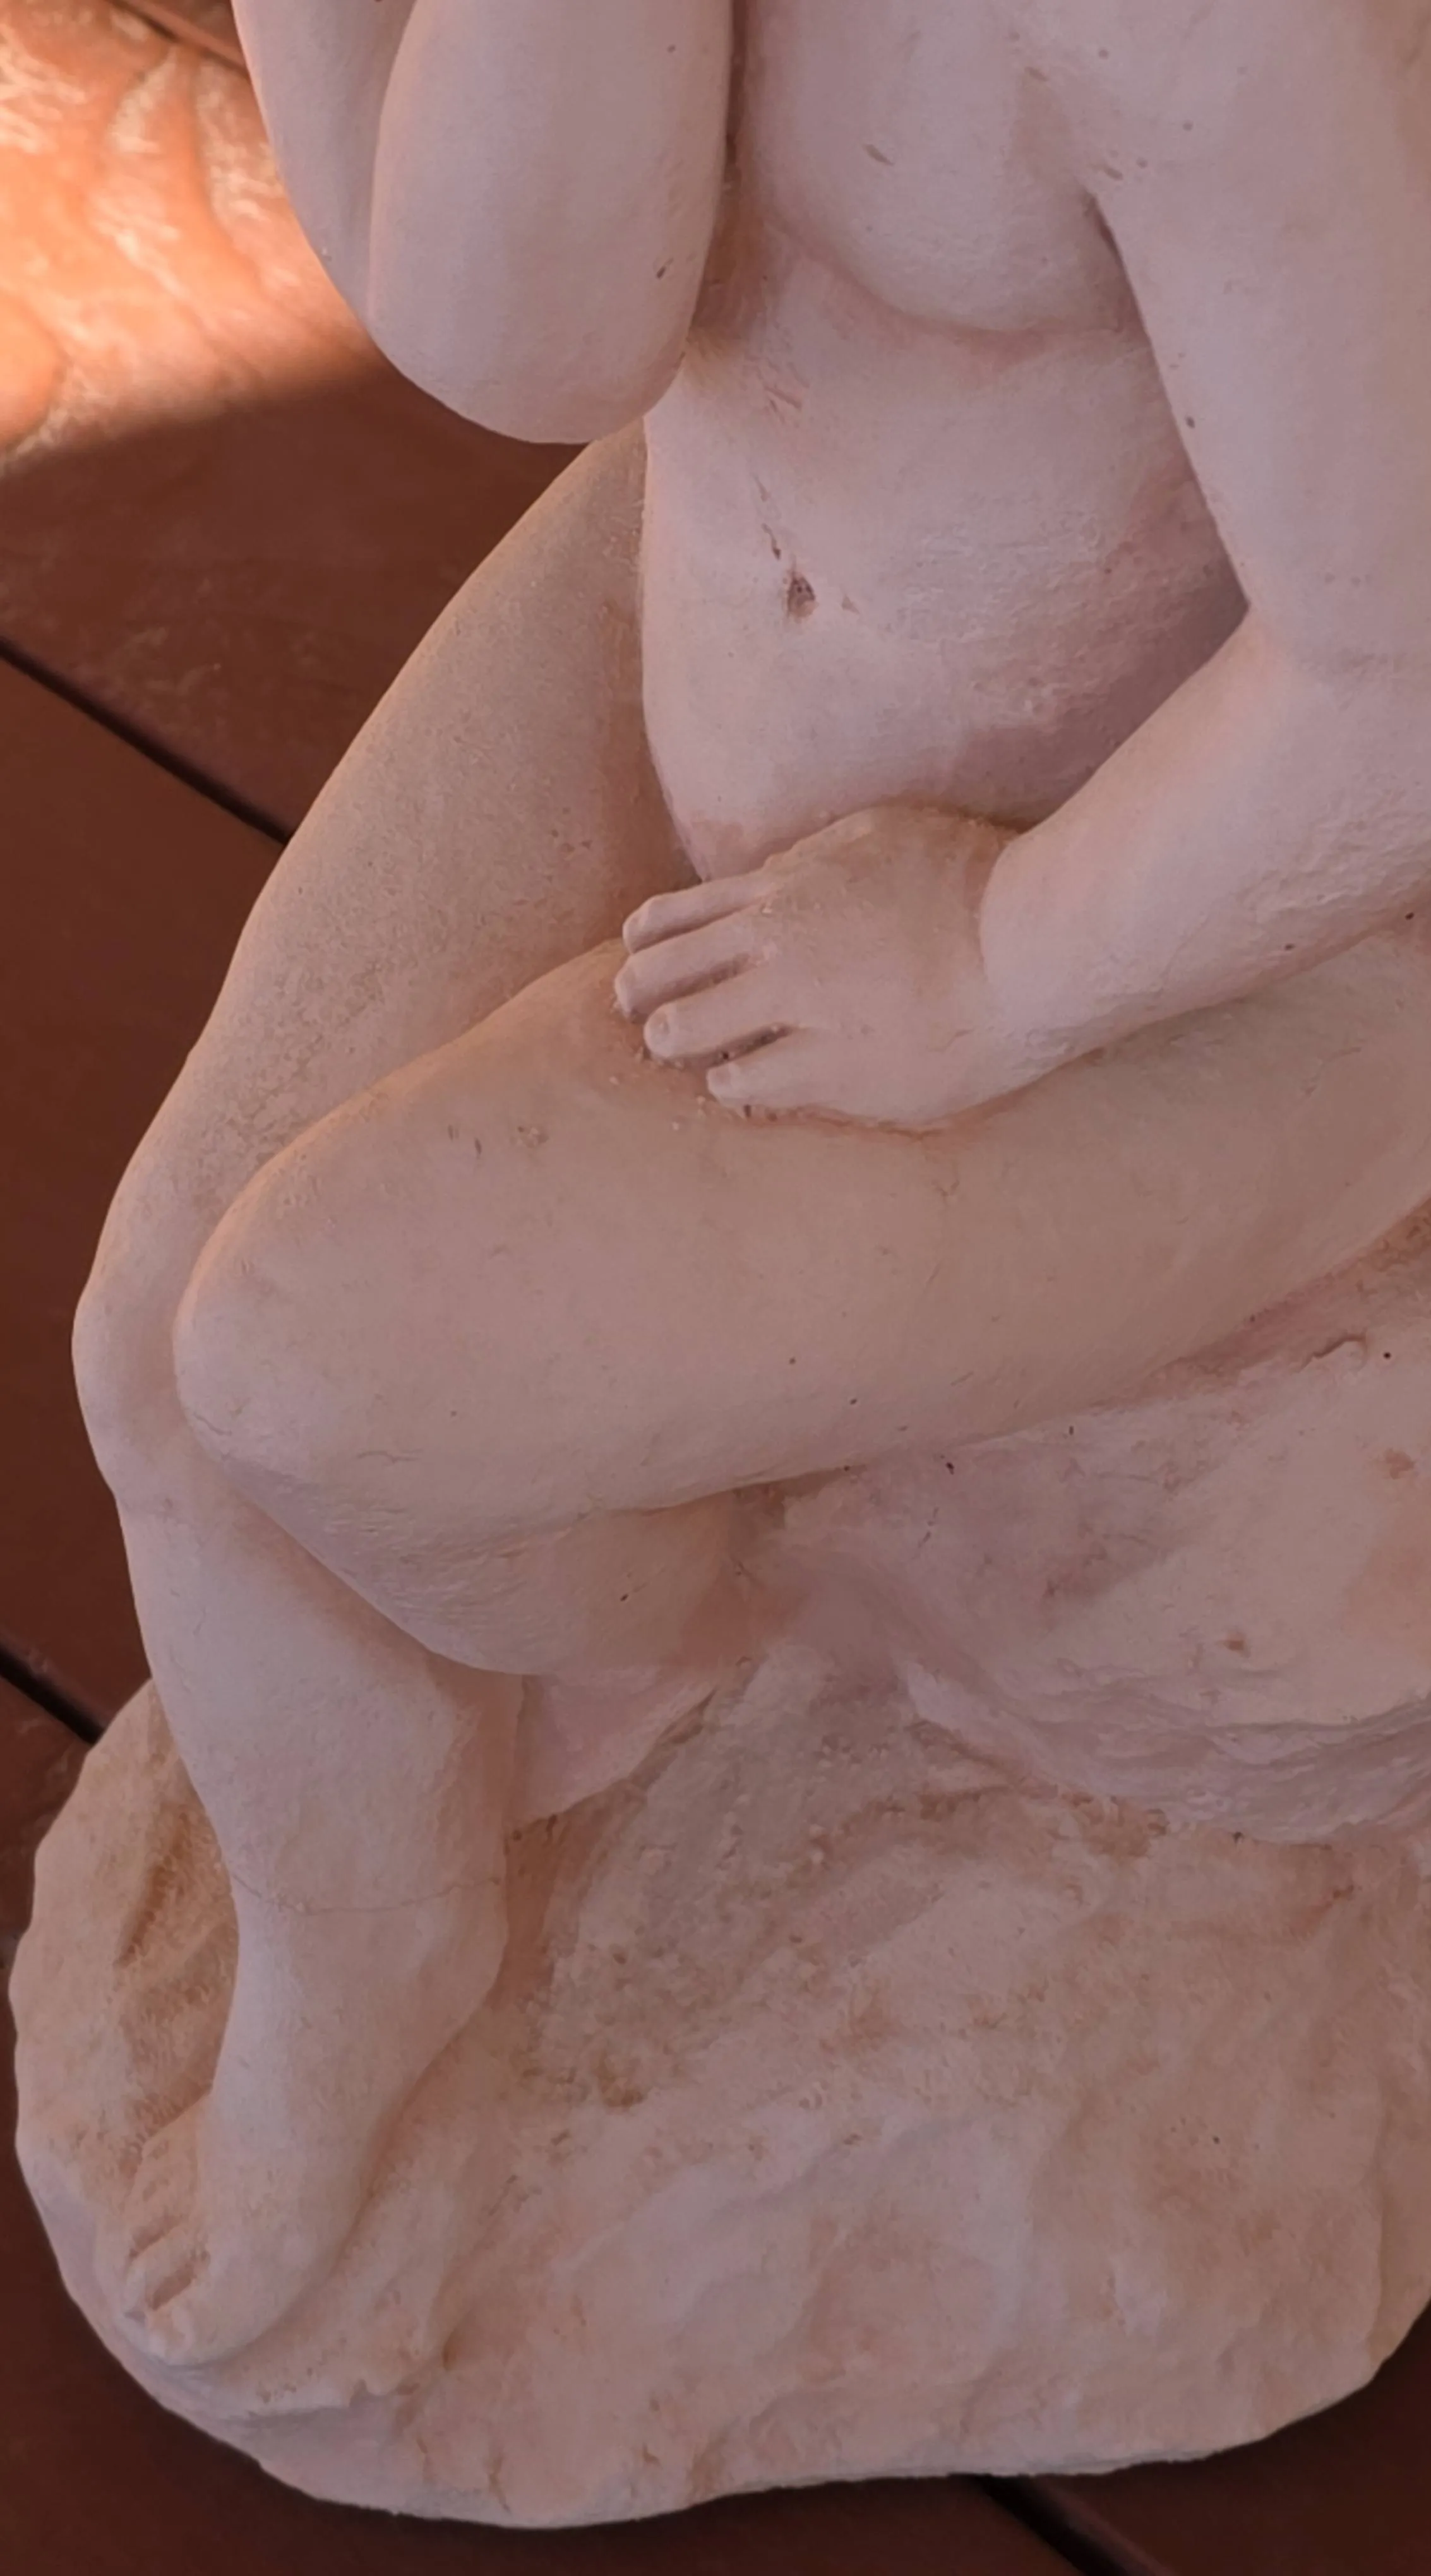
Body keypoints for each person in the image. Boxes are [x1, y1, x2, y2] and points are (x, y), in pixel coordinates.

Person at [74, 0, 1431, 2364]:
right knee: (152, 1367)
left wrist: (1000, 966)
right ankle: (371, 1937)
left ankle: (724, 1620)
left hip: (1205, 943)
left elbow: (1401, 675)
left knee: (314, 1381)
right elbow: (522, 335)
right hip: (717, 573)